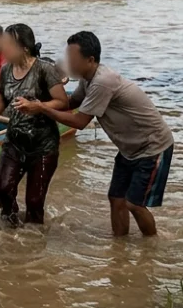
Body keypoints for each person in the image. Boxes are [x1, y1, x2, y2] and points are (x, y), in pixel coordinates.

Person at [16, 31, 174, 237]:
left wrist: (42, 109)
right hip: (130, 149)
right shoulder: (88, 79)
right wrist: (47, 97)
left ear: (90, 60)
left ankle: (151, 246)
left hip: (153, 146)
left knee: (134, 204)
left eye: (73, 60)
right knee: (116, 199)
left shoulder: (102, 81)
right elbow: (71, 103)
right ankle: (120, 248)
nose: (69, 64)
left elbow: (80, 121)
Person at [0, 24, 68, 225]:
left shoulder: (45, 70)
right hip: (15, 141)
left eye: (7, 44)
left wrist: (38, 106)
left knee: (34, 201)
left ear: (23, 47)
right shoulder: (6, 70)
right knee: (2, 189)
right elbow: (1, 101)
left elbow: (62, 102)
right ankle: (13, 229)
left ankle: (33, 244)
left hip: (43, 146)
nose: (2, 48)